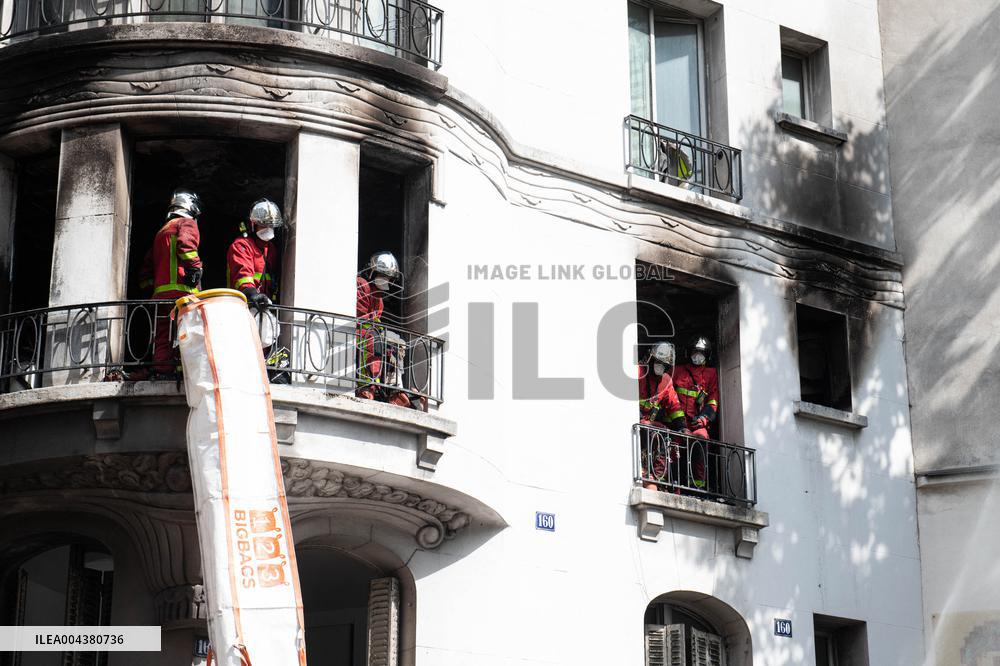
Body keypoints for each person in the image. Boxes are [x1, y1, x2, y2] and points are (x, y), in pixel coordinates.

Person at [140, 190, 203, 377]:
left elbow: (145, 272)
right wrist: (195, 268)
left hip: (160, 298)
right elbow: (186, 243)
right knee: (189, 335)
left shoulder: (161, 232)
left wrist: (155, 289)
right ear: (190, 206)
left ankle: (162, 370)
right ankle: (185, 372)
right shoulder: (186, 223)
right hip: (183, 295)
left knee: (163, 337)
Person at [356, 251, 410, 407]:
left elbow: (376, 319)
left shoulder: (379, 298)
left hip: (372, 330)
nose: (386, 280)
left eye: (388, 277)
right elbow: (360, 316)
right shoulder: (361, 285)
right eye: (383, 275)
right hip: (360, 332)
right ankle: (368, 385)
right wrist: (378, 329)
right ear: (373, 272)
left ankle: (395, 389)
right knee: (374, 339)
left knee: (398, 342)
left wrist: (381, 330)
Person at [637, 341, 686, 491]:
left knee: (664, 434)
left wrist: (682, 427)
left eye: (663, 365)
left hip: (649, 426)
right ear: (651, 359)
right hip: (634, 423)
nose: (659, 366)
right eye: (658, 362)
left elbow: (674, 407)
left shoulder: (666, 381)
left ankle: (658, 477)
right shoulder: (638, 372)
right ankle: (645, 472)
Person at [673, 335, 720, 489]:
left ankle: (698, 486)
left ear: (707, 355)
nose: (697, 355)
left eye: (701, 352)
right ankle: (674, 483)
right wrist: (678, 422)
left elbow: (713, 400)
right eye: (694, 351)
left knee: (701, 439)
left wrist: (703, 419)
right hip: (679, 421)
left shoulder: (711, 374)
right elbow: (670, 397)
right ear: (688, 353)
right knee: (675, 446)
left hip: (697, 422)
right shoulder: (678, 371)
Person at [227, 198, 281, 311]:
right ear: (252, 225)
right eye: (263, 225)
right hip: (243, 304)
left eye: (271, 226)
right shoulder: (242, 245)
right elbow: (243, 274)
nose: (268, 229)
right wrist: (251, 293)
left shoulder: (271, 249)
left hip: (264, 306)